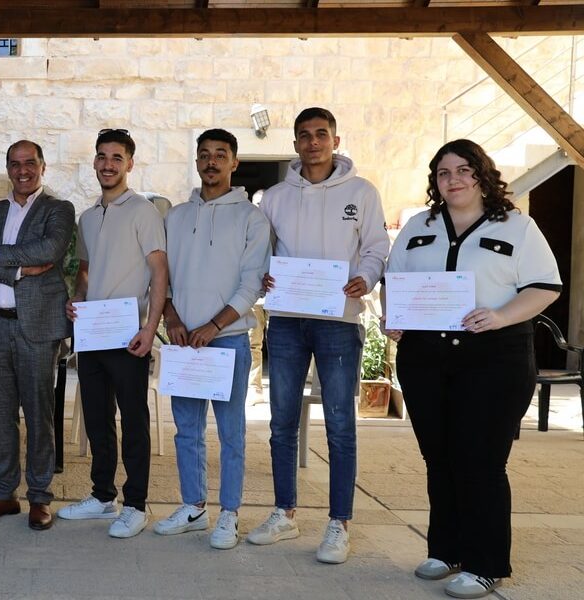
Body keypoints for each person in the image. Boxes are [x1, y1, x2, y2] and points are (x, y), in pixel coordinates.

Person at [383, 139, 560, 599]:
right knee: (438, 457)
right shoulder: (418, 226)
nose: (454, 179)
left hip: (494, 358)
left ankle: (486, 563)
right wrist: (392, 317)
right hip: (425, 358)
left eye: (464, 170)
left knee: (480, 461)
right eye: (444, 173)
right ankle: (447, 551)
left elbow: (545, 287)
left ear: (482, 175)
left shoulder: (518, 226)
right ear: (435, 181)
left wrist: (501, 315)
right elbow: (394, 282)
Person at [250, 107, 390, 564]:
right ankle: (284, 513)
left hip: (339, 320)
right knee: (282, 422)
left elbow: (376, 247)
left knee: (340, 424)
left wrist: (366, 277)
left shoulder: (362, 192)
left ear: (335, 140)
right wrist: (265, 275)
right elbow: (263, 251)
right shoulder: (273, 197)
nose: (313, 142)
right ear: (294, 143)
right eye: (305, 135)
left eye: (321, 134)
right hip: (287, 320)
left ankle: (339, 523)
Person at [155, 129, 270, 549]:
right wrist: (171, 316)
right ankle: (193, 507)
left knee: (230, 433)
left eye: (220, 155)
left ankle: (230, 514)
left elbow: (252, 283)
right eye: (204, 154)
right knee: (186, 430)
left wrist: (214, 326)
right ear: (196, 161)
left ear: (234, 163)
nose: (211, 162)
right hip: (184, 340)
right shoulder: (176, 216)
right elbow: (163, 278)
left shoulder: (251, 218)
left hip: (228, 341)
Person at [56, 129, 167, 538]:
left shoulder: (144, 211)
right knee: (97, 419)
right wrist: (77, 297)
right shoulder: (88, 217)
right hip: (92, 333)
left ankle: (135, 504)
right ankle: (103, 496)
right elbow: (85, 273)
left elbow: (159, 272)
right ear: (95, 162)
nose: (108, 164)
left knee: (134, 420)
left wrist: (150, 329)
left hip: (129, 336)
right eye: (102, 157)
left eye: (116, 157)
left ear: (129, 164)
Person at [0, 140, 74, 531]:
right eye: (15, 164)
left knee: (39, 413)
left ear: (42, 166)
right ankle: (4, 493)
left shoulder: (58, 209)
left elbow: (49, 249)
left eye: (30, 163)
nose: (22, 170)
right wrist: (20, 269)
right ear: (8, 168)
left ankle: (40, 497)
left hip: (37, 328)